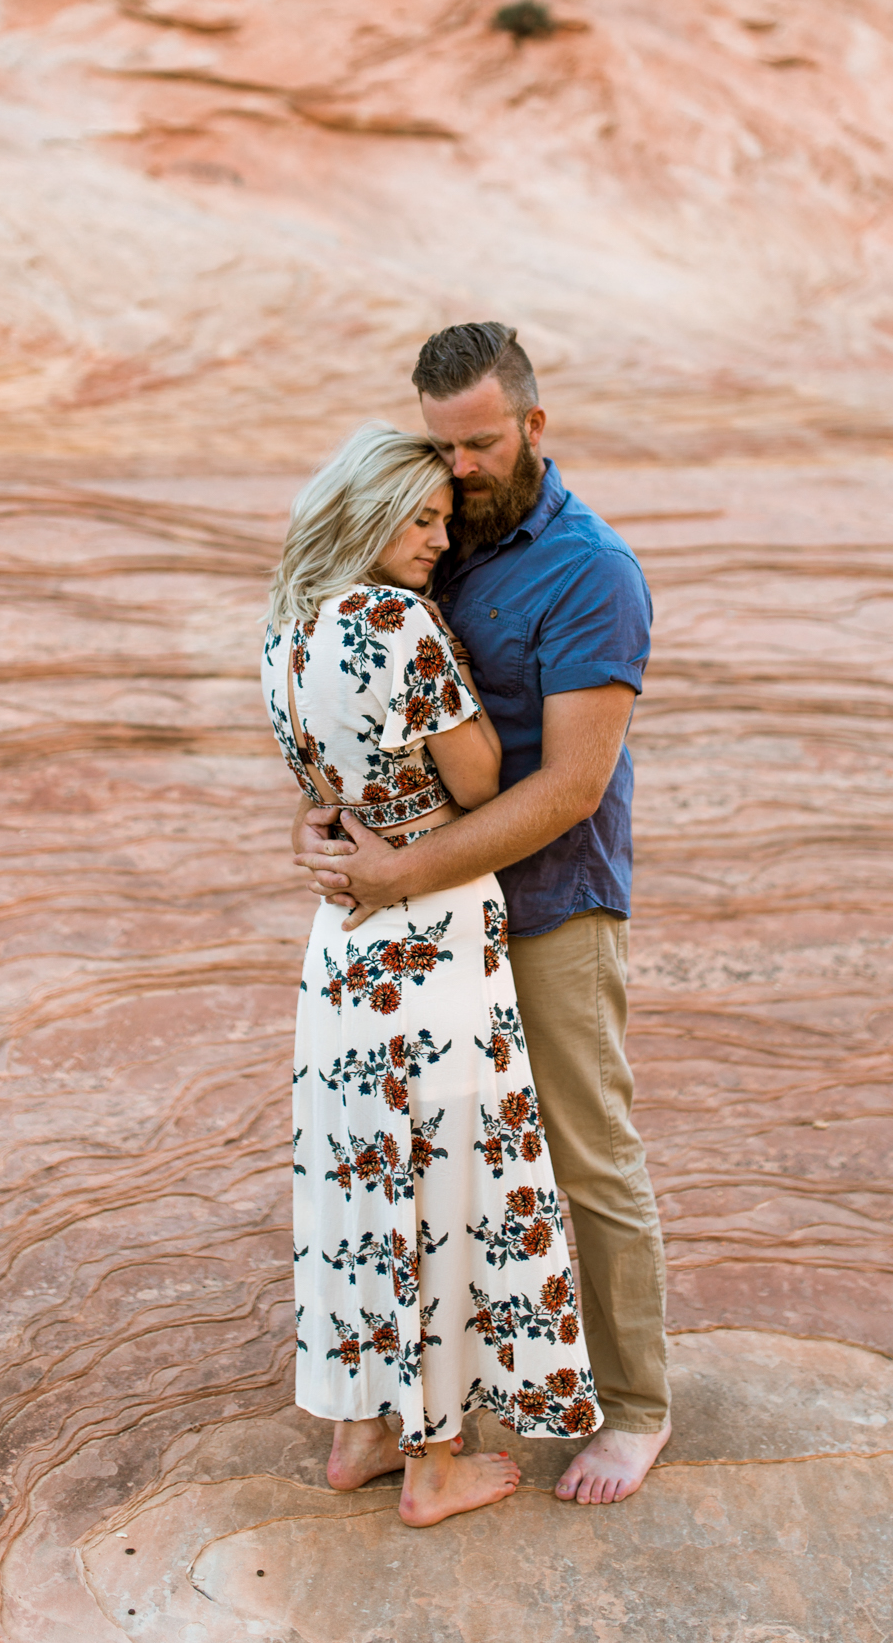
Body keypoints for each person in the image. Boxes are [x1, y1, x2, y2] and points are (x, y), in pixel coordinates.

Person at [295, 323, 672, 1507]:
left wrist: (398, 872)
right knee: (427, 1165)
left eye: (480, 441)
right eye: (440, 442)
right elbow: (358, 700)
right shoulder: (423, 534)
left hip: (550, 904)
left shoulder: (591, 571)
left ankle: (637, 1407)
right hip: (425, 934)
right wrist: (320, 818)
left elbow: (567, 787)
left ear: (533, 425)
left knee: (582, 1150)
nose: (457, 468)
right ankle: (434, 1408)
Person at [263, 422, 603, 1528]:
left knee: (360, 1180)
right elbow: (480, 772)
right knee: (442, 1184)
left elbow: (315, 785)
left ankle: (358, 1431)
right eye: (416, 520)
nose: (435, 539)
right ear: (363, 518)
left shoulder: (285, 629)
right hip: (430, 932)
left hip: (342, 942)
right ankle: (434, 1459)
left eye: (441, 519)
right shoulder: (401, 620)